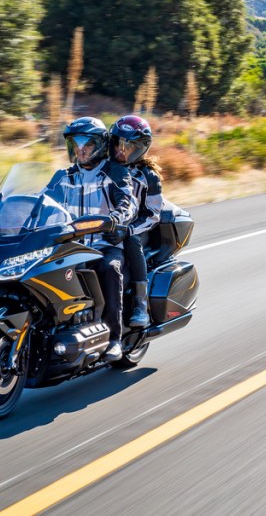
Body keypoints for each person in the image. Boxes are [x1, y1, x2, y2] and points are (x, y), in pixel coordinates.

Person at [41, 117, 137, 361]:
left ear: (101, 145)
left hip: (103, 245)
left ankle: (114, 339)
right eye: (75, 144)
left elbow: (128, 201)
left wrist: (116, 218)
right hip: (69, 247)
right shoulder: (64, 176)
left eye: (87, 144)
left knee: (109, 268)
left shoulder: (114, 171)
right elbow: (39, 204)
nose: (80, 149)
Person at [106, 115, 163, 329]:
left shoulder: (148, 176)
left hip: (138, 226)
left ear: (140, 148)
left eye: (127, 146)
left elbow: (153, 214)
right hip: (109, 224)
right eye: (117, 144)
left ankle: (140, 303)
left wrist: (128, 230)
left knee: (132, 242)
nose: (120, 150)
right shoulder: (104, 167)